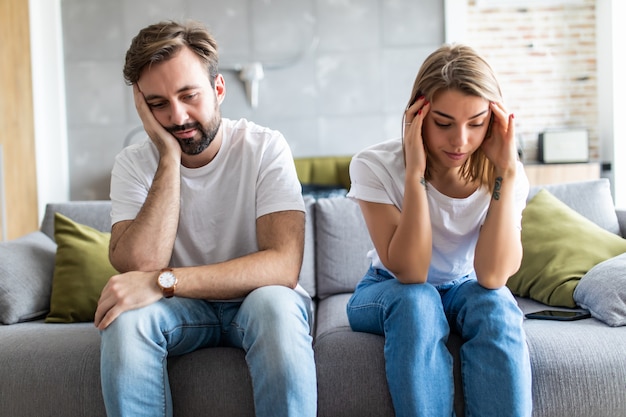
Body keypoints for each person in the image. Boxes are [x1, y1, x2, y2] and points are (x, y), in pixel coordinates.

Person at [94, 20, 316, 417]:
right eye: (158, 104)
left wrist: (166, 282)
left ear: (218, 89)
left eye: (188, 95)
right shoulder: (133, 164)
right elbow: (139, 265)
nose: (178, 117)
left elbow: (283, 266)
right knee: (127, 324)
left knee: (276, 307)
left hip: (256, 301)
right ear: (142, 108)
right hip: (181, 312)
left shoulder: (264, 147)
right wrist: (167, 157)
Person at [345, 44, 533, 417]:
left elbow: (493, 276)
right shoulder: (374, 165)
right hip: (390, 289)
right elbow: (412, 273)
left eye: (476, 123)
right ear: (418, 114)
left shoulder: (505, 173)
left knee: (496, 305)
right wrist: (415, 172)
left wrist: (505, 175)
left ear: (495, 121)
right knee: (419, 301)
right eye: (444, 123)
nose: (460, 140)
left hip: (463, 287)